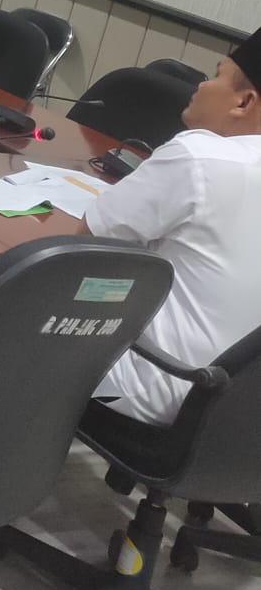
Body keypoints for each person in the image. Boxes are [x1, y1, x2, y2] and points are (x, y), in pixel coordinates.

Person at [83, 32, 261, 426]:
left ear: (244, 102)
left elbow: (81, 247)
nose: (201, 85)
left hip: (152, 384)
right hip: (239, 421)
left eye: (215, 76)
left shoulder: (200, 156)